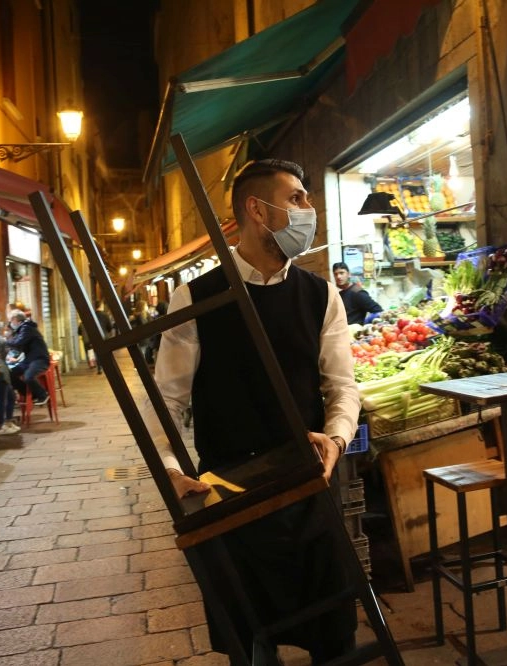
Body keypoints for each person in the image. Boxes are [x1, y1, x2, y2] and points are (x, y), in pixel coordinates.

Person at [141, 159, 360, 664]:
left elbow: (342, 385)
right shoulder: (194, 298)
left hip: (309, 484)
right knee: (252, 639)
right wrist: (172, 470)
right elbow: (167, 398)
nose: (310, 209)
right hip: (231, 494)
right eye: (298, 198)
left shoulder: (320, 294)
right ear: (257, 211)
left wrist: (337, 438)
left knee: (334, 632)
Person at [5, 309, 51, 406]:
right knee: (10, 374)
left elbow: (18, 342)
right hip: (29, 360)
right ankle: (30, 394)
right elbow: (18, 345)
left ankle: (43, 395)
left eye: (10, 320)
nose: (10, 323)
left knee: (28, 376)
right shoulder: (22, 329)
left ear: (15, 319)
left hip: (39, 359)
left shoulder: (27, 328)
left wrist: (5, 341)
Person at [78, 302, 113, 374]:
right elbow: (110, 327)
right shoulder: (105, 315)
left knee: (97, 352)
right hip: (104, 336)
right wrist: (108, 331)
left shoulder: (91, 316)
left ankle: (99, 367)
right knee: (106, 352)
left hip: (95, 337)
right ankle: (107, 365)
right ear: (101, 305)